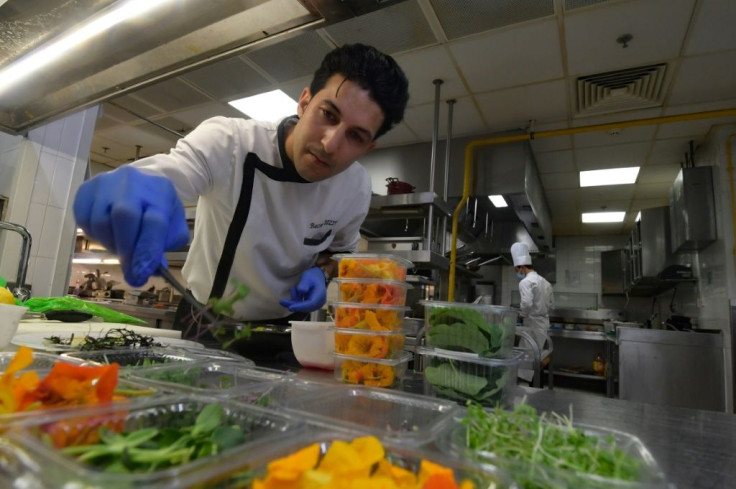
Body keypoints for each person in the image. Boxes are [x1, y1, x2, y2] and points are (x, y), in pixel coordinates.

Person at [73, 44, 410, 346]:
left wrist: (322, 273)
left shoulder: (355, 188)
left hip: (287, 332)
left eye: (355, 136)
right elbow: (173, 171)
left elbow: (338, 253)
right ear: (305, 102)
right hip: (204, 322)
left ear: (369, 147)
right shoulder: (231, 142)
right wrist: (134, 190)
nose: (330, 144)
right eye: (328, 115)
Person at [511, 241, 554, 382]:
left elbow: (526, 304)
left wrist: (520, 314)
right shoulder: (545, 282)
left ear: (522, 267)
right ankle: (533, 385)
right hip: (543, 324)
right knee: (536, 356)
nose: (517, 273)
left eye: (517, 270)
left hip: (532, 325)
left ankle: (524, 389)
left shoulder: (525, 282)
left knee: (526, 360)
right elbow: (551, 304)